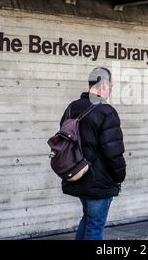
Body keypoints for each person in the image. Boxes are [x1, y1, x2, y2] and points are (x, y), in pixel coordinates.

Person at [59, 67, 126, 240]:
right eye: (111, 85)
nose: (111, 89)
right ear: (103, 85)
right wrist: (119, 176)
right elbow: (113, 152)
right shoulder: (106, 111)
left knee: (88, 219)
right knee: (95, 226)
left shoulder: (72, 108)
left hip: (76, 174)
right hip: (99, 182)